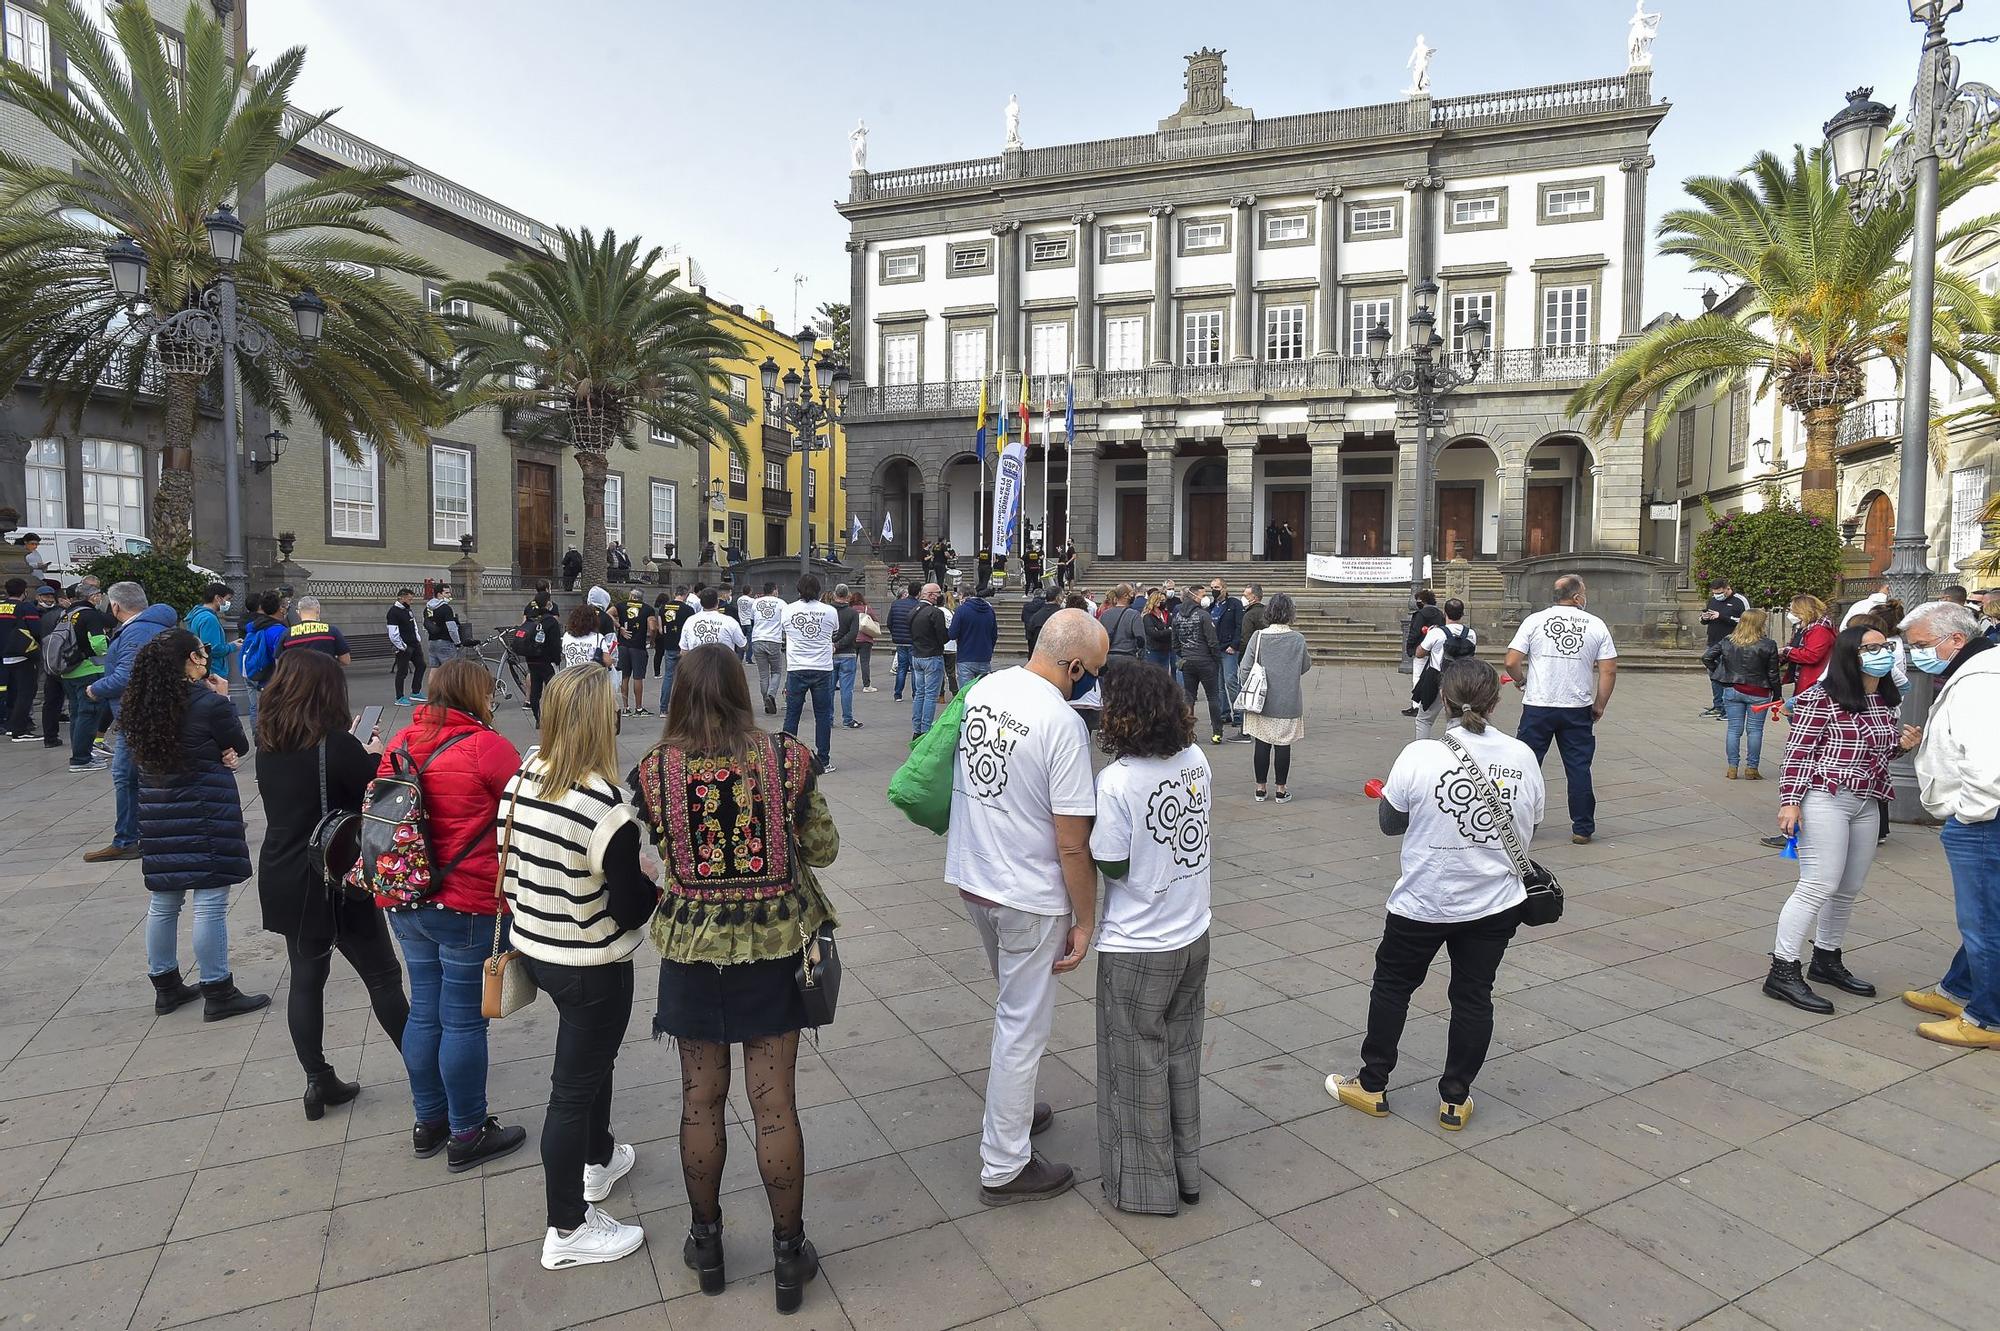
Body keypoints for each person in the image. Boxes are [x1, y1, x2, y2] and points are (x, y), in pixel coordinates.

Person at [632, 644, 840, 1311]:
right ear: (742, 690)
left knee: (701, 1099)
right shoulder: (785, 757)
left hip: (692, 953)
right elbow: (825, 848)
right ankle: (788, 1253)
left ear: (678, 696)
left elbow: (661, 851)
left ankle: (708, 1244)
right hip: (775, 947)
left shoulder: (654, 769)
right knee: (774, 1100)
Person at [1329, 658, 1541, 1131]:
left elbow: (1390, 825)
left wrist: (1396, 799)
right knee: (1473, 996)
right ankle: (1455, 1098)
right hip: (1494, 901)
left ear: (1443, 699)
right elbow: (1532, 823)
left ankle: (1372, 1083)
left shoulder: (1419, 754)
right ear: (1496, 700)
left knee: (1393, 988)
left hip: (1424, 898)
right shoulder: (1522, 756)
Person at [496, 665, 655, 1269]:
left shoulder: (525, 774)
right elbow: (630, 903)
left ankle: (599, 1157)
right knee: (570, 1091)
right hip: (591, 961)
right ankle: (566, 1228)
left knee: (591, 1065)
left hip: (536, 945)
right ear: (601, 721)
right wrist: (650, 885)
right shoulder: (603, 805)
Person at [948, 609, 1107, 1205]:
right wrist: (1086, 919)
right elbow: (1073, 839)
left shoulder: (988, 687)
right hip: (1028, 893)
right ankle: (1005, 1165)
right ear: (1071, 665)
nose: (1090, 681)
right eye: (1090, 671)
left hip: (977, 876)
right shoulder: (1059, 721)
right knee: (1022, 1025)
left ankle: (1010, 1115)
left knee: (1013, 1009)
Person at [375, 659, 527, 1171]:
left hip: (406, 897)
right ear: (474, 695)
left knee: (424, 1009)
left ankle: (429, 1122)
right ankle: (467, 1132)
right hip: (468, 904)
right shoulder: (488, 747)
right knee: (463, 1022)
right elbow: (523, 811)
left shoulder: (399, 743)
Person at [253, 651, 407, 1118]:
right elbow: (373, 795)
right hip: (332, 877)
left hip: (282, 871)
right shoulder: (336, 745)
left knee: (306, 980)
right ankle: (426, 1068)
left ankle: (318, 1081)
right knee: (382, 976)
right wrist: (373, 753)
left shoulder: (268, 740)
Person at [1090, 659, 1212, 1214]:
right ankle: (1187, 1170)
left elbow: (1112, 864)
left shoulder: (1117, 781)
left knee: (1134, 1066)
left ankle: (1145, 1187)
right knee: (1182, 1054)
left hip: (1138, 942)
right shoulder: (1196, 759)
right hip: (1192, 930)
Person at [121, 629, 271, 1021]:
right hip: (203, 809)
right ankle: (218, 989)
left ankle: (165, 986)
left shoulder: (140, 704)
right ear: (191, 659)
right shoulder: (208, 702)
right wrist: (221, 699)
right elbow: (238, 743)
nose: (206, 659)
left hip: (157, 810)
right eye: (203, 654)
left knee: (164, 900)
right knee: (209, 901)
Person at [1762, 624, 1905, 1013]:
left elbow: (1875, 753)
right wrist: (1790, 802)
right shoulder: (1820, 698)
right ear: (1849, 655)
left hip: (1867, 802)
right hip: (1824, 797)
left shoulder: (1883, 700)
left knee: (1848, 887)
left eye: (1886, 646)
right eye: (1871, 648)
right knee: (1817, 884)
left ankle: (1826, 958)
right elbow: (1798, 755)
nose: (1882, 653)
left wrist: (1901, 744)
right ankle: (1783, 969)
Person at [1897, 602, 2000, 1047]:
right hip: (1980, 817)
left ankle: (1987, 1020)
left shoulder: (1980, 681)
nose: (1916, 654)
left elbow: (1988, 762)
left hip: (1983, 820)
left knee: (1983, 922)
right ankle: (1959, 991)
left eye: (1921, 645)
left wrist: (1968, 813)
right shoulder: (1977, 668)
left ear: (1955, 639)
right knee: (1984, 917)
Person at [1504, 574, 1617, 845]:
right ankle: (1582, 827)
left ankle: (1520, 822)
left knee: (1526, 766)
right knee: (1578, 768)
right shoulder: (1596, 625)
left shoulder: (1534, 621)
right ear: (1577, 597)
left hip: (1538, 704)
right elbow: (1609, 670)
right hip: (1576, 706)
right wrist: (1599, 704)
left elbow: (1511, 661)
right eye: (1584, 592)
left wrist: (1521, 681)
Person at [82, 582, 178, 862]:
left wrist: (95, 689)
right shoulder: (152, 625)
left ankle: (128, 839)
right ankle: (139, 835)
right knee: (145, 775)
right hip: (148, 713)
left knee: (127, 777)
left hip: (138, 715)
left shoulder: (137, 630)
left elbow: (128, 675)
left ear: (115, 606)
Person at [1243, 593, 1313, 802]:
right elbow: (1305, 665)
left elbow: (1245, 667)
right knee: (1283, 745)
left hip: (1261, 701)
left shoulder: (1259, 637)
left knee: (1261, 745)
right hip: (1288, 700)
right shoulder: (1298, 639)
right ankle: (1281, 790)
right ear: (1290, 613)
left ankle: (1260, 788)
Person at [1703, 607, 1781, 780]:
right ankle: (1752, 768)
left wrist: (1721, 673)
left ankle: (1732, 767)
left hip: (1733, 689)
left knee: (1733, 730)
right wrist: (1777, 695)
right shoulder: (1768, 644)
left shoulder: (1728, 640)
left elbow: (1707, 657)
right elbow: (1773, 673)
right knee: (1754, 731)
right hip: (1759, 692)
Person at [781, 574, 841, 772]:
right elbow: (834, 631)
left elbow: (784, 632)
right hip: (822, 668)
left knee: (792, 714)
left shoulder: (788, 609)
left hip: (797, 667)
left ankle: (787, 758)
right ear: (819, 590)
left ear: (798, 590)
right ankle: (823, 759)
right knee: (823, 715)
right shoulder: (829, 611)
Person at [54, 578, 113, 772]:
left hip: (68, 670)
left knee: (77, 714)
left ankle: (81, 754)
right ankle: (81, 759)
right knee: (89, 714)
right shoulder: (89, 614)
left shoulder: (67, 613)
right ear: (93, 597)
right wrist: (108, 654)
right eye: (98, 595)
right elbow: (98, 643)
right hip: (88, 670)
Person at [1411, 598, 1476, 741]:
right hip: (1461, 681)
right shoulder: (1471, 634)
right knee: (1455, 721)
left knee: (1424, 720)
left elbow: (1419, 653)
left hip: (1436, 679)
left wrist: (1428, 636)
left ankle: (1421, 751)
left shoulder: (1436, 633)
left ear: (1445, 613)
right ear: (1462, 614)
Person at [1172, 591, 1226, 744]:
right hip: (1206, 661)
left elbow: (1174, 642)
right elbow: (1212, 641)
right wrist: (1216, 659)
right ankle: (1217, 733)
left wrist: (1183, 655)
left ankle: (1187, 733)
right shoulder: (1203, 615)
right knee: (1213, 697)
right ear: (1195, 598)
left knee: (1189, 698)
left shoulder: (1177, 617)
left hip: (1188, 661)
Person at [241, 591, 287, 739]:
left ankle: (258, 736)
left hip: (251, 671)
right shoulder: (279, 631)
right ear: (280, 609)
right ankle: (269, 738)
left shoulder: (254, 626)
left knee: (256, 707)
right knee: (273, 711)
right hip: (269, 675)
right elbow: (280, 658)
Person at [1699, 578, 1748, 717]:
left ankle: (1730, 708)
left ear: (1727, 588)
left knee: (1729, 676)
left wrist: (1722, 616)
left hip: (1732, 643)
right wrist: (1704, 618)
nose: (1717, 596)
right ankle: (1718, 705)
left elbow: (1748, 621)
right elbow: (1704, 620)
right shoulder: (1712, 600)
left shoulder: (1740, 600)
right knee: (1714, 675)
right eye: (1714, 593)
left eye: (1720, 592)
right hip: (1714, 643)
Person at [909, 581, 949, 740]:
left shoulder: (913, 610)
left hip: (917, 655)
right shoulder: (935, 612)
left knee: (920, 694)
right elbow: (943, 637)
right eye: (938, 593)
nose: (940, 596)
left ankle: (916, 728)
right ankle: (925, 730)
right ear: (931, 595)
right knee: (931, 696)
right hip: (932, 655)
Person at [2, 577, 39, 742]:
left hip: (3, 657)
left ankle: (10, 725)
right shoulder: (26, 607)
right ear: (24, 591)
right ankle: (20, 730)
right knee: (26, 692)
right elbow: (37, 630)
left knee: (11, 691)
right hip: (23, 655)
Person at [1778, 594, 1836, 701]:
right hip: (1804, 680)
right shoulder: (1804, 628)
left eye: (1792, 611)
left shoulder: (1819, 630)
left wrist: (1786, 651)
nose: (1790, 614)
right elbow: (1795, 646)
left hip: (1813, 682)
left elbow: (1812, 655)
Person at [1400, 590, 1446, 717]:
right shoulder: (1439, 614)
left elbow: (1414, 632)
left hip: (1422, 649)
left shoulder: (1420, 614)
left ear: (1422, 601)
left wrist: (1410, 648)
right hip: (1436, 650)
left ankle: (1416, 705)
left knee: (1418, 676)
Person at [520, 599, 565, 725]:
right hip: (546, 660)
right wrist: (557, 659)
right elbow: (555, 643)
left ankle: (538, 718)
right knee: (552, 689)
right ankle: (553, 717)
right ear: (547, 605)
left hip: (532, 659)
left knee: (535, 689)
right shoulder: (550, 621)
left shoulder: (530, 618)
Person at [1207, 578, 1243, 725]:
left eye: (1217, 587)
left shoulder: (1234, 604)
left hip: (1229, 649)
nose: (1214, 590)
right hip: (1215, 649)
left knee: (1231, 681)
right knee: (1219, 685)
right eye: (1212, 587)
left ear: (1224, 588)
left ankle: (1239, 713)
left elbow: (1240, 626)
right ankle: (1224, 712)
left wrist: (1234, 645)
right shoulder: (1211, 606)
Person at [614, 587, 655, 717]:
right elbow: (653, 627)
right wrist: (652, 640)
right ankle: (638, 708)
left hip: (623, 646)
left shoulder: (620, 606)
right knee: (638, 677)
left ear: (631, 596)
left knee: (624, 676)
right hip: (638, 646)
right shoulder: (648, 609)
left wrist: (619, 627)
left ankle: (625, 707)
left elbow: (608, 614)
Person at [184, 582, 236, 681]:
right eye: (228, 599)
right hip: (213, 671)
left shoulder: (197, 615)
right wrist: (232, 646)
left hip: (203, 669)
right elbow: (213, 649)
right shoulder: (209, 619)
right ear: (218, 598)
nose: (228, 603)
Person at [950, 582, 999, 685]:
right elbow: (994, 634)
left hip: (966, 656)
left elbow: (952, 634)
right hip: (984, 656)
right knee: (982, 693)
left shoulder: (961, 610)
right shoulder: (989, 610)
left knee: (966, 692)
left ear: (962, 595)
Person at [750, 580, 787, 716]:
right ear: (775, 590)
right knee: (776, 671)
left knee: (763, 674)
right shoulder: (781, 603)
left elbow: (752, 618)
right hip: (774, 640)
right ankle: (771, 695)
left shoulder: (756, 602)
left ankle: (766, 701)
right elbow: (785, 621)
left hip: (757, 639)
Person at [281, 596, 353, 665]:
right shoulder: (332, 631)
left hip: (299, 676)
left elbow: (279, 662)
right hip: (326, 676)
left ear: (298, 612)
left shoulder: (287, 634)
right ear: (318, 610)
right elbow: (345, 660)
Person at [387, 588, 428, 705]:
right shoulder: (393, 612)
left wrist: (417, 638)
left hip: (414, 643)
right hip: (404, 646)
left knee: (421, 665)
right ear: (402, 597)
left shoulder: (407, 610)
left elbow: (413, 624)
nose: (411, 601)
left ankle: (416, 691)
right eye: (409, 599)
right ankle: (399, 697)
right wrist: (402, 646)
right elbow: (393, 632)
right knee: (402, 671)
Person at [831, 583, 864, 730]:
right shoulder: (852, 613)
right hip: (848, 654)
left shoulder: (828, 611)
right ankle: (847, 719)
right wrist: (840, 644)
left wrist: (833, 644)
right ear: (847, 595)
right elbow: (853, 633)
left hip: (829, 654)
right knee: (846, 689)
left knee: (828, 689)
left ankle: (828, 718)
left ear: (834, 594)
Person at [886, 580, 919, 701]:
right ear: (918, 592)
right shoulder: (918, 605)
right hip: (913, 641)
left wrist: (895, 633)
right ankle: (915, 694)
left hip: (900, 641)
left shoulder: (896, 604)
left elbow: (889, 622)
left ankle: (898, 694)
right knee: (915, 669)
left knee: (901, 668)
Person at [562, 604, 614, 670]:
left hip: (570, 676)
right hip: (590, 677)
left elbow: (564, 652)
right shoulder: (598, 637)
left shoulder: (567, 635)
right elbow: (607, 661)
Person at [426, 586, 463, 667]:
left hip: (432, 642)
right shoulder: (446, 608)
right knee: (450, 670)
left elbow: (427, 624)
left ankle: (432, 681)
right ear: (439, 594)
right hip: (445, 643)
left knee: (434, 670)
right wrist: (457, 642)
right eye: (446, 593)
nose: (449, 595)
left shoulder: (428, 608)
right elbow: (452, 629)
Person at [852, 588, 878, 692]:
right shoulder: (867, 608)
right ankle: (867, 685)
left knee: (851, 663)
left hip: (852, 639)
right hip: (866, 639)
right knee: (865, 663)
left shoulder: (849, 609)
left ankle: (849, 684)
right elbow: (876, 619)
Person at [1141, 590, 1174, 670]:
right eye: (1161, 601)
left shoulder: (1167, 614)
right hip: (1153, 650)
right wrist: (1168, 630)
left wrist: (1162, 631)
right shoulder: (1148, 617)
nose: (1164, 602)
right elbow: (1153, 634)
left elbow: (1173, 629)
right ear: (1155, 602)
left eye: (1164, 600)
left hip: (1166, 649)